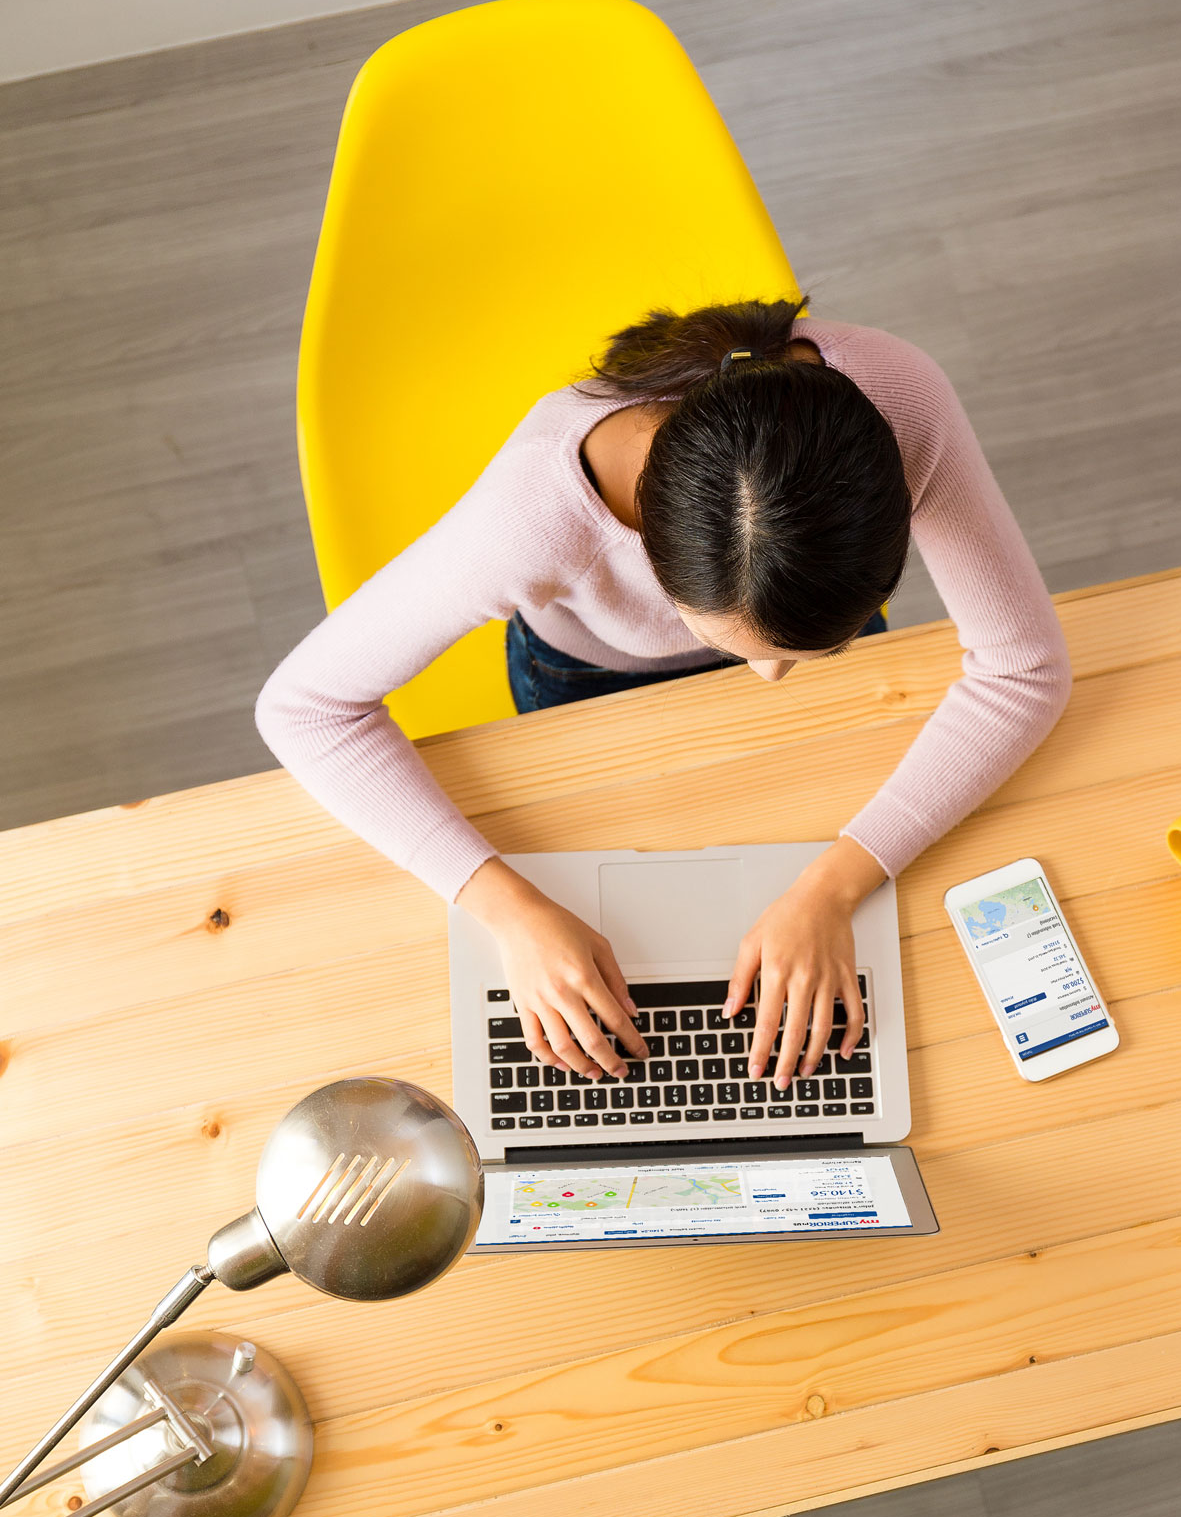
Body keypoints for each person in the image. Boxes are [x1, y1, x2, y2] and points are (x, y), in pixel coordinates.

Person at [256, 298, 1071, 1095]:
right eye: (733, 646)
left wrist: (834, 885)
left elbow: (1023, 669)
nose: (768, 683)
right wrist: (504, 909)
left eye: (810, 652)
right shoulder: (535, 512)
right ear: (651, 542)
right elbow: (305, 708)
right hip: (593, 678)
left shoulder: (903, 402)